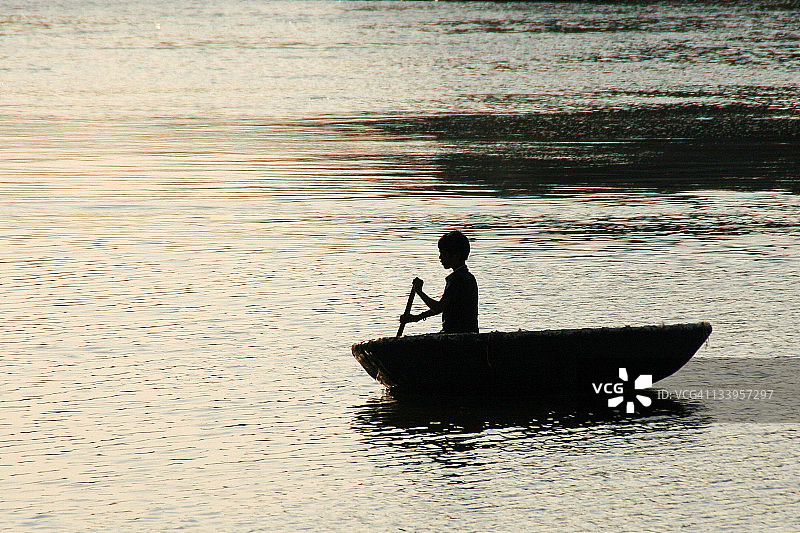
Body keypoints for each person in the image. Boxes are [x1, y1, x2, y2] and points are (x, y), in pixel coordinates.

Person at [399, 230, 479, 334]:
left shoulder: (456, 279)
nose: (440, 257)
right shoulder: (469, 277)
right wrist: (416, 318)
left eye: (443, 254)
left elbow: (438, 308)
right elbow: (444, 306)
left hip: (455, 334)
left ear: (456, 256)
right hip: (470, 332)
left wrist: (419, 292)